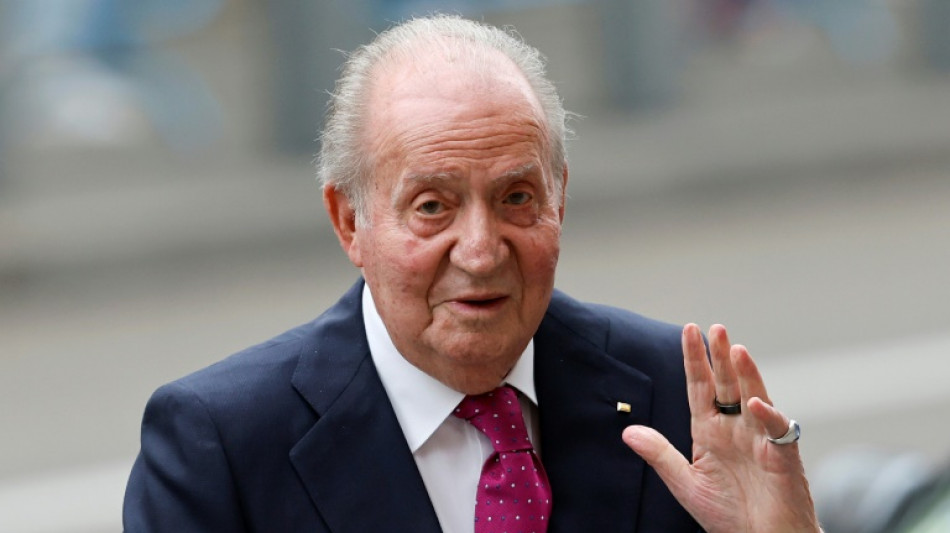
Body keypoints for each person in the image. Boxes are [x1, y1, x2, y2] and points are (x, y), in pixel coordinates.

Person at [123, 14, 820, 532]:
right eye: (433, 207)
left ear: (560, 199)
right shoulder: (222, 444)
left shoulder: (677, 394)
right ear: (349, 221)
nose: (481, 252)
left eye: (516, 198)